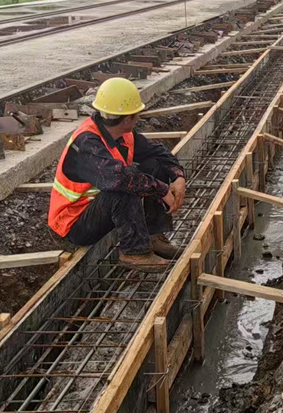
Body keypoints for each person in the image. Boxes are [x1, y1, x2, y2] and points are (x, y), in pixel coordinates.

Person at [48, 77, 186, 269]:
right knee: (124, 186)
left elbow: (157, 152)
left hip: (99, 209)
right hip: (74, 223)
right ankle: (135, 252)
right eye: (137, 114)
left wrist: (178, 176)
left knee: (153, 165)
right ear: (128, 118)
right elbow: (119, 179)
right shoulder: (87, 143)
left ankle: (153, 236)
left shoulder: (123, 134)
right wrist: (161, 189)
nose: (139, 118)